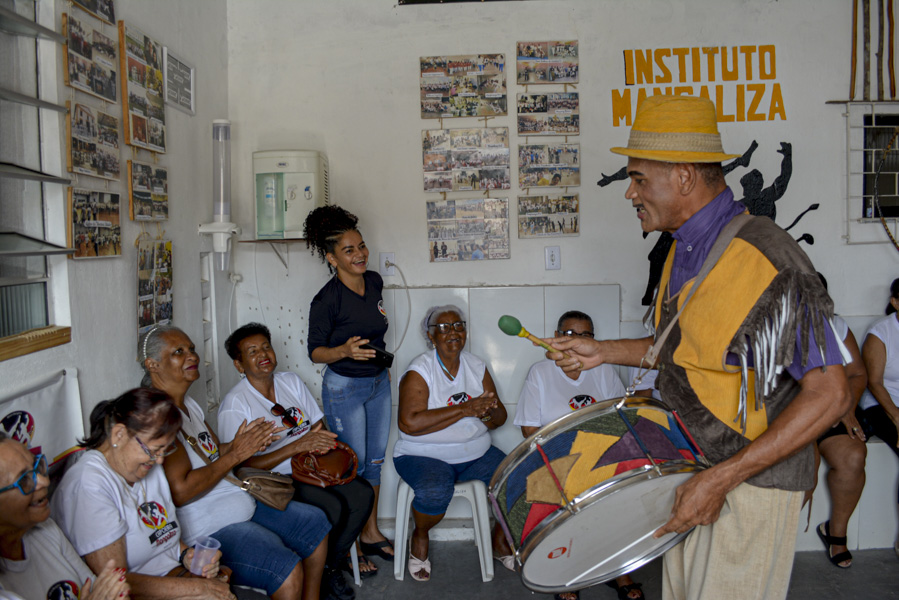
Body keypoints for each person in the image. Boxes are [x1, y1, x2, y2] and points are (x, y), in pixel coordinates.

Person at [544, 95, 850, 600]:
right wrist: (602, 351)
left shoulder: (770, 257)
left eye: (639, 179)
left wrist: (722, 480)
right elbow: (686, 348)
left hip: (749, 482)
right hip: (693, 468)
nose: (631, 193)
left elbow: (831, 394)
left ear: (684, 177)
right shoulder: (684, 248)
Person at [138, 325, 332, 600]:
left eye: (191, 348)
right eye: (178, 352)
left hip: (240, 501)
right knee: (285, 568)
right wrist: (236, 454)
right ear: (153, 365)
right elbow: (181, 491)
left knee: (315, 523)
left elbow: (211, 453)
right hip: (209, 525)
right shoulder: (158, 417)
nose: (192, 356)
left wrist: (242, 443)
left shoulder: (188, 404)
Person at [219, 323, 375, 598]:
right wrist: (296, 447)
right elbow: (240, 467)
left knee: (362, 493)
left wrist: (321, 444)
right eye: (252, 352)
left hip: (312, 466)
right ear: (239, 364)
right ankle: (325, 572)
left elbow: (317, 425)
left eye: (266, 347)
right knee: (333, 506)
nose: (263, 354)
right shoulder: (236, 404)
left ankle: (328, 568)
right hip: (276, 479)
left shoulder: (290, 381)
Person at [51, 388, 240, 600]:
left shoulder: (147, 465)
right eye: (154, 450)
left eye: (164, 450)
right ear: (119, 434)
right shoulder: (89, 485)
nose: (159, 460)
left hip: (171, 576)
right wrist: (199, 588)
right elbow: (116, 582)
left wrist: (187, 555)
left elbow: (163, 534)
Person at [515, 311, 644, 600]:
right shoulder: (540, 372)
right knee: (563, 496)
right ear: (557, 337)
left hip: (598, 454)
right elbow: (529, 430)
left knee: (620, 494)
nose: (577, 341)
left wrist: (594, 449)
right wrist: (570, 448)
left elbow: (621, 417)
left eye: (585, 335)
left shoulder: (603, 369)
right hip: (555, 458)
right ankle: (566, 573)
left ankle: (619, 570)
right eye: (570, 334)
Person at [303, 205, 394, 569]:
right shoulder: (327, 300)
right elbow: (315, 352)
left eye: (361, 246)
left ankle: (369, 533)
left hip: (378, 384)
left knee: (375, 463)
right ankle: (349, 545)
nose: (360, 254)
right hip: (345, 389)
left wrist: (379, 365)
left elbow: (377, 330)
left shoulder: (374, 281)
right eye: (349, 250)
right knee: (350, 467)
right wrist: (344, 351)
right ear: (332, 258)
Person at [394, 305, 512, 582]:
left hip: (476, 453)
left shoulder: (476, 366)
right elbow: (409, 423)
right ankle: (420, 534)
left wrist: (486, 412)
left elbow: (500, 419)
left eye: (458, 326)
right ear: (431, 335)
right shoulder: (420, 370)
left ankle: (499, 540)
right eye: (444, 328)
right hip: (423, 456)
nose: (453, 332)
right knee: (435, 491)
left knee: (517, 479)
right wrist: (465, 409)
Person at [0, 433, 130, 600]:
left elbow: (104, 591)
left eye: (37, 467)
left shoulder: (46, 529)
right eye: (24, 480)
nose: (44, 482)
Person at [812, 273, 868, 569]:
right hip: (790, 419)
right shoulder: (773, 327)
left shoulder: (836, 325)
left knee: (854, 455)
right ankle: (773, 545)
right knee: (802, 466)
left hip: (830, 414)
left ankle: (836, 533)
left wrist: (847, 406)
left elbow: (857, 373)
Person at [858, 277, 899, 558]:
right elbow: (874, 382)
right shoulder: (881, 333)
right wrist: (896, 416)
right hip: (880, 404)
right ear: (895, 302)